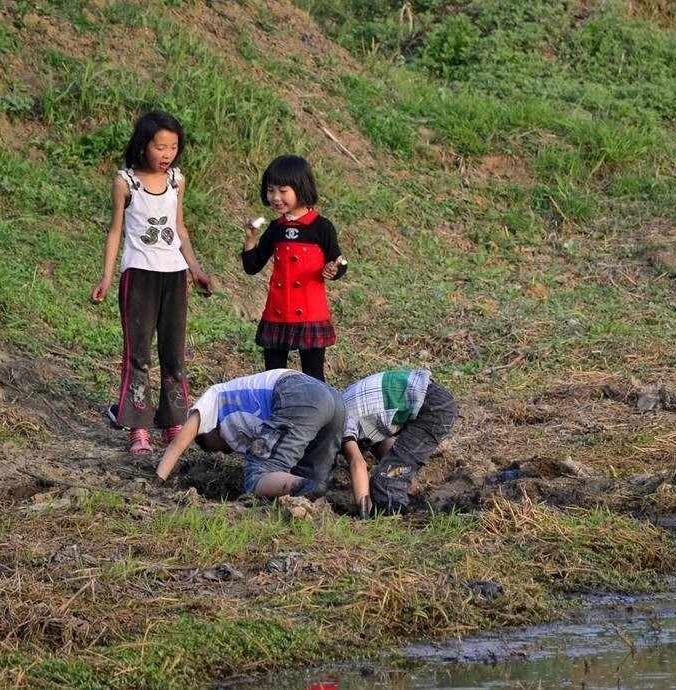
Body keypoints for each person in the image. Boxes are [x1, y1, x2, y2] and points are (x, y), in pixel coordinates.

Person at [91, 111, 213, 455]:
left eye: (173, 147)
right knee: (138, 356)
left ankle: (173, 422)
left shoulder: (177, 181)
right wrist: (106, 276)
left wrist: (196, 270)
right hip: (139, 276)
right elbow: (115, 231)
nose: (167, 154)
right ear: (143, 145)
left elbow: (180, 229)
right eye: (160, 146)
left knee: (174, 355)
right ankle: (138, 428)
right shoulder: (125, 182)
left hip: (174, 277)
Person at [155, 369, 345, 499]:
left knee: (257, 475)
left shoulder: (212, 399)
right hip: (332, 399)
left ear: (208, 432)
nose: (225, 452)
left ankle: (302, 485)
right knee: (309, 475)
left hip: (298, 393)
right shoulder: (239, 408)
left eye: (216, 449)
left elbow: (177, 444)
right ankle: (324, 493)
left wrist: (157, 481)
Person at [241, 154, 347, 382]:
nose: (276, 197)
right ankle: (277, 413)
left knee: (314, 377)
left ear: (301, 188)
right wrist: (250, 240)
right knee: (273, 377)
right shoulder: (275, 229)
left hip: (310, 312)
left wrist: (333, 270)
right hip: (278, 310)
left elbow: (340, 260)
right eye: (271, 190)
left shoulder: (321, 227)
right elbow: (252, 266)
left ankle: (319, 415)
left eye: (282, 191)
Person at [340, 369, 458, 514]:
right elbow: (387, 450)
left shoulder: (340, 423)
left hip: (431, 407)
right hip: (433, 399)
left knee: (386, 482)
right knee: (391, 472)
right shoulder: (343, 405)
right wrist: (405, 476)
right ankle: (414, 505)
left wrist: (363, 515)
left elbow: (357, 463)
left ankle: (394, 521)